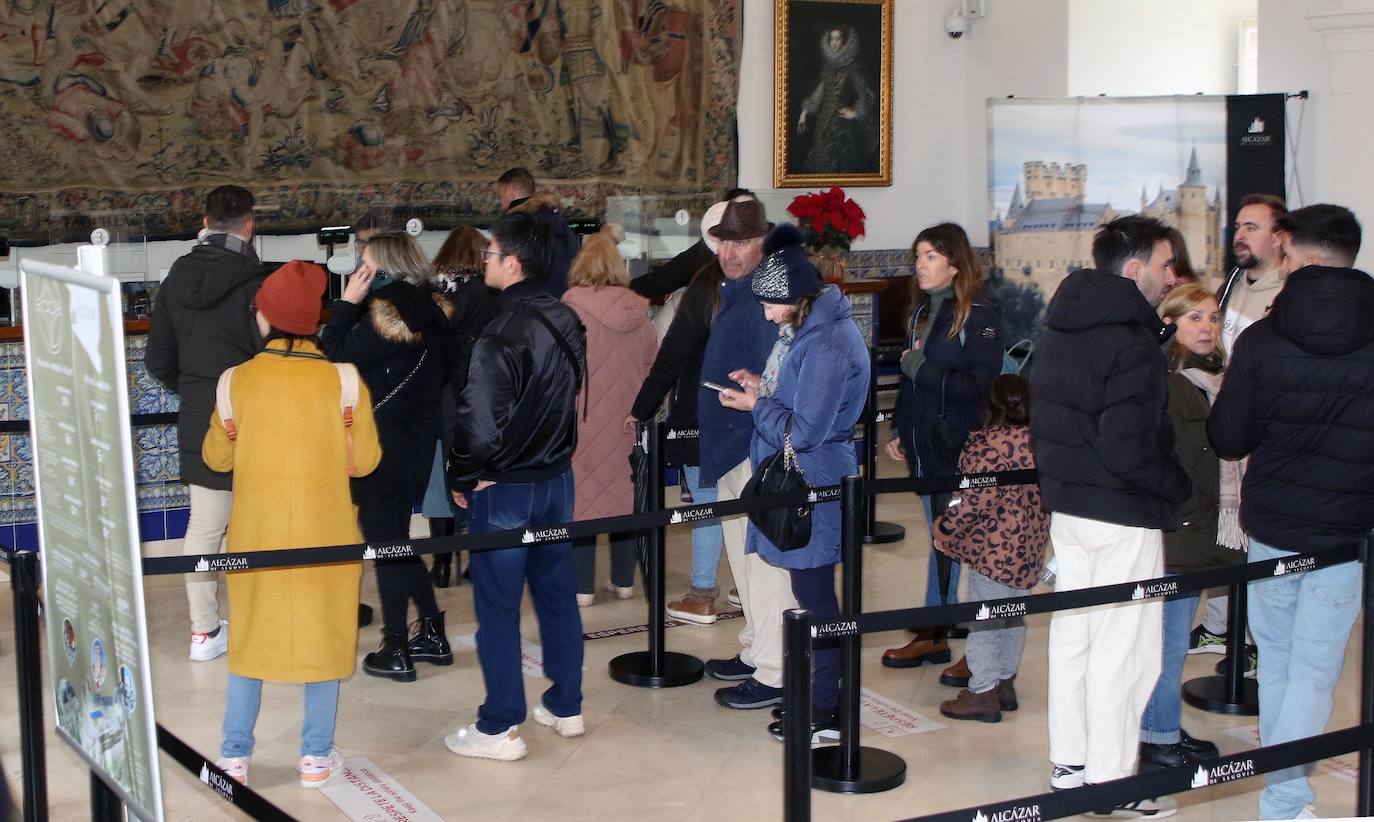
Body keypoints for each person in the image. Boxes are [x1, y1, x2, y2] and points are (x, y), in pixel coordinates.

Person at [1209, 204, 1374, 821]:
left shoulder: (1261, 338)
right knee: (1312, 669)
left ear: (1293, 253)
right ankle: (1283, 801)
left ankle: (1283, 800)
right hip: (1347, 532)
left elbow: (1228, 437)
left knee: (1277, 663)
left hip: (1274, 525)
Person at [1030, 214, 1189, 818]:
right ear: (1133, 268)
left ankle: (1071, 764)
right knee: (1124, 650)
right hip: (1121, 512)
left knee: (1076, 637)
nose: (1171, 276)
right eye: (1165, 264)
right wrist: (1176, 488)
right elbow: (1130, 447)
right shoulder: (1130, 344)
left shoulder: (1057, 329)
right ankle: (1114, 779)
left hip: (1069, 508)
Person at [205, 260, 382, 788]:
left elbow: (216, 458)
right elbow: (365, 462)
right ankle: (314, 758)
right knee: (325, 642)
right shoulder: (344, 380)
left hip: (256, 538)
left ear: (265, 315)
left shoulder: (236, 381)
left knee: (248, 645)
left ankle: (234, 757)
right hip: (326, 536)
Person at [444, 211, 588, 762]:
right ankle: (566, 705)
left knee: (498, 609)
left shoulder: (499, 333)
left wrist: (461, 474)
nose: (484, 262)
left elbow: (477, 422)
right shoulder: (566, 319)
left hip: (503, 488)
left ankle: (499, 724)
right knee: (556, 597)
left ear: (513, 262)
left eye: (489, 254)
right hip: (556, 479)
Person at [717, 224, 868, 741]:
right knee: (812, 594)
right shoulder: (806, 334)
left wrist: (756, 405)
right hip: (809, 478)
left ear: (795, 300)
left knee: (818, 598)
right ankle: (822, 697)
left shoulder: (825, 344)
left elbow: (805, 432)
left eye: (770, 304)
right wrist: (764, 388)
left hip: (817, 482)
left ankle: (826, 709)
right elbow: (802, 402)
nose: (765, 313)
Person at [320, 232, 451, 683]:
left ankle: (396, 645)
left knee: (387, 545)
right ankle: (432, 630)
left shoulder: (383, 315)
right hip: (416, 447)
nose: (358, 266)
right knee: (395, 541)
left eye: (364, 260)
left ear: (382, 267)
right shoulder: (433, 310)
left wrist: (347, 304)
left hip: (379, 447)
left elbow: (332, 357)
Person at [146, 184, 265, 662]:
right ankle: (256, 620)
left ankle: (203, 631)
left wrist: (199, 393)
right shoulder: (256, 279)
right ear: (250, 224)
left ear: (205, 218)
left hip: (199, 411)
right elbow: (270, 353)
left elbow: (158, 358)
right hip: (253, 412)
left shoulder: (177, 274)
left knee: (204, 526)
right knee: (255, 524)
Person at [882, 222, 1003, 673]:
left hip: (961, 446)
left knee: (959, 539)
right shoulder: (922, 311)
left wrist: (920, 367)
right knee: (942, 537)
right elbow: (913, 386)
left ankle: (954, 638)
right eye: (917, 256)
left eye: (930, 256)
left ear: (955, 264)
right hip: (927, 443)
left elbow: (978, 386)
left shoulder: (978, 314)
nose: (920, 265)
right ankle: (938, 627)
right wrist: (899, 427)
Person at [694, 199, 800, 711]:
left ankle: (777, 669)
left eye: (741, 242)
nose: (730, 252)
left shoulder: (768, 296)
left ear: (763, 242)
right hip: (733, 446)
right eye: (724, 242)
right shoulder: (738, 291)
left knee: (765, 562)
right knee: (743, 558)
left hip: (754, 445)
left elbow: (780, 375)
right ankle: (758, 649)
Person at [1137, 283, 1241, 771]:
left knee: (1167, 640)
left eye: (1213, 318)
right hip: (1180, 531)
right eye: (1194, 318)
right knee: (1168, 642)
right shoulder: (1170, 381)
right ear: (1171, 324)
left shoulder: (1215, 378)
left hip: (1198, 529)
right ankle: (1158, 737)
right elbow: (1177, 461)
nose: (1207, 327)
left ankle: (1161, 725)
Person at [625, 196, 743, 625]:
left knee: (708, 503)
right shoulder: (760, 287)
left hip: (701, 413)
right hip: (748, 414)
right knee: (742, 501)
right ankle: (747, 588)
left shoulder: (701, 292)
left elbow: (670, 361)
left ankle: (702, 592)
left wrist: (639, 410)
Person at [1194, 193, 1288, 658]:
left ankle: (1250, 639)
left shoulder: (1286, 292)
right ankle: (1219, 627)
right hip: (1225, 423)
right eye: (1237, 226)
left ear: (1279, 237)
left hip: (1261, 436)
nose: (1239, 236)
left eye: (1252, 227)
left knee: (1249, 533)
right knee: (1223, 529)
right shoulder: (1232, 284)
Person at [934, 374, 1047, 724]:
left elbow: (972, 502)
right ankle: (1004, 682)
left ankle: (982, 692)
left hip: (993, 550)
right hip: (1029, 548)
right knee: (1012, 615)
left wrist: (944, 527)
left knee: (984, 620)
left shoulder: (987, 445)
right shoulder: (1042, 443)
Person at [563, 228, 657, 605]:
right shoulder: (641, 315)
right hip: (628, 422)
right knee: (624, 498)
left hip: (581, 422)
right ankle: (624, 581)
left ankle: (582, 587)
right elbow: (654, 368)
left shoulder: (569, 312)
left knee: (583, 501)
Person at [425, 226, 501, 589]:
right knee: (476, 470)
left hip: (438, 390)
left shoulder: (430, 290)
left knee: (438, 479)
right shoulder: (488, 290)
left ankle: (441, 562)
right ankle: (475, 559)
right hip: (477, 387)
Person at [796, 25, 878, 174]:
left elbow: (867, 96)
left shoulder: (853, 69)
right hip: (824, 126)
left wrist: (855, 113)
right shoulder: (828, 68)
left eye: (837, 38)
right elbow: (819, 93)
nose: (834, 42)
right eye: (831, 39)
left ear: (845, 40)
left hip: (844, 130)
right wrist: (804, 113)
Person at [496, 167, 580, 297]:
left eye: (501, 197)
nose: (501, 205)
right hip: (565, 303)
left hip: (535, 306)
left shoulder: (519, 226)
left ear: (510, 192)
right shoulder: (560, 222)